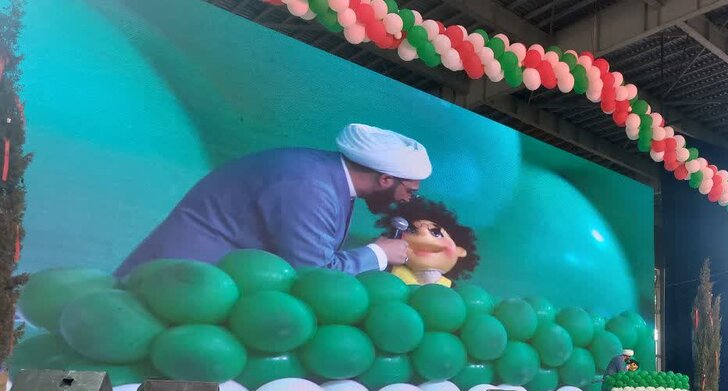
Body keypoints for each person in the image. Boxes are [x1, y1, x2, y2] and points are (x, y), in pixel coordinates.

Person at [114, 124, 431, 278]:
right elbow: (313, 274)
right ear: (385, 179)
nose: (408, 199)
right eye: (410, 190)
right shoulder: (311, 187)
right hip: (176, 281)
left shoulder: (326, 176)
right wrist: (379, 253)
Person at [376, 198, 479, 287]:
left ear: (459, 251)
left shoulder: (450, 288)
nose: (423, 232)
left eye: (436, 233)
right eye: (412, 230)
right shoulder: (385, 272)